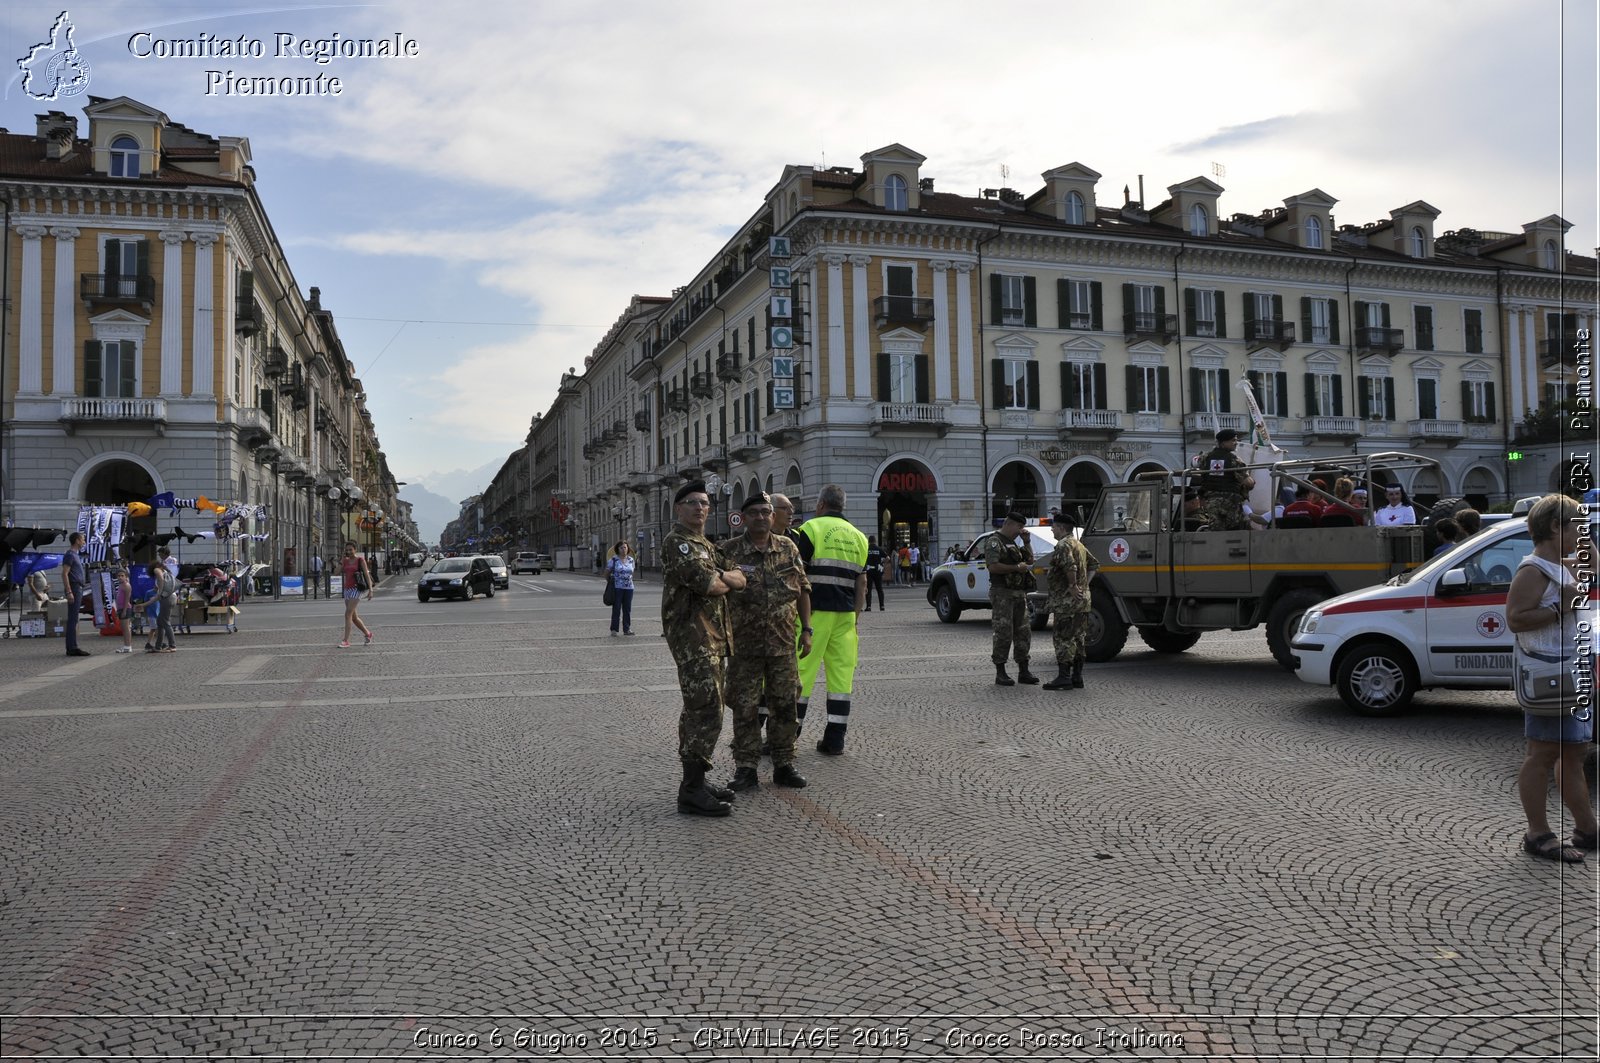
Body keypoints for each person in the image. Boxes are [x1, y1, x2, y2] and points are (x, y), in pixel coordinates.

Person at [1506, 493, 1596, 863]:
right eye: (1576, 525)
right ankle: (1537, 833)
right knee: (1542, 753)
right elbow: (1515, 618)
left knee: (1574, 754)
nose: (1583, 533)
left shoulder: (1562, 565)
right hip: (1549, 675)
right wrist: (1560, 607)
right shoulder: (1533, 571)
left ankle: (1587, 828)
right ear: (1556, 527)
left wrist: (1583, 529)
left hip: (1570, 671)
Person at [662, 480, 747, 816]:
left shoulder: (707, 545)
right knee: (707, 708)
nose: (700, 508)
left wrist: (727, 577)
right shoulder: (677, 543)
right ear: (679, 508)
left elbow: (742, 577)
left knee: (700, 707)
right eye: (693, 503)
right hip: (692, 637)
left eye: (705, 503)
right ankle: (692, 790)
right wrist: (727, 578)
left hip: (713, 637)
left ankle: (695, 781)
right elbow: (711, 584)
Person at [720, 492, 812, 791]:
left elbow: (803, 589)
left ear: (773, 516)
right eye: (755, 512)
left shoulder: (788, 547)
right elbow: (717, 595)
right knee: (744, 707)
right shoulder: (729, 551)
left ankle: (784, 764)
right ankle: (745, 768)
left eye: (766, 512)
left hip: (783, 643)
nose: (761, 517)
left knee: (785, 705)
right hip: (744, 647)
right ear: (744, 517)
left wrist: (807, 630)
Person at [794, 484, 869, 755]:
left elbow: (797, 576)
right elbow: (862, 584)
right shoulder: (859, 537)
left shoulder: (810, 529)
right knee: (841, 681)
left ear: (820, 504)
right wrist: (855, 618)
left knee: (801, 674)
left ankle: (790, 735)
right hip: (846, 616)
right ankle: (835, 739)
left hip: (812, 615)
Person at [1043, 510, 1098, 690]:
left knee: (1063, 638)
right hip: (1082, 602)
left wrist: (1074, 586)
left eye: (1053, 526)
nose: (1052, 530)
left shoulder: (1064, 545)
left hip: (1067, 602)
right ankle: (1077, 677)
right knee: (1079, 638)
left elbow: (1070, 566)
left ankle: (1063, 677)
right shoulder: (1079, 545)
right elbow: (1094, 564)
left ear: (1060, 527)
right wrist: (1084, 585)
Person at [985, 511, 1039, 686]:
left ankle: (1024, 671)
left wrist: (1027, 542)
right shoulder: (995, 541)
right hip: (1002, 593)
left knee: (1023, 632)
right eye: (1018, 527)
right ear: (1008, 524)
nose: (1020, 530)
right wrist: (1016, 568)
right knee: (1003, 632)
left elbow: (1030, 560)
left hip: (1018, 593)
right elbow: (993, 567)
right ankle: (1000, 672)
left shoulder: (1014, 543)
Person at [1196, 428, 1254, 531]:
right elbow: (1248, 483)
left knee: (1216, 532)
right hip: (1230, 503)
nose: (1236, 443)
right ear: (1223, 443)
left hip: (1211, 503)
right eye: (1233, 440)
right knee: (1235, 532)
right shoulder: (1234, 460)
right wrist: (1252, 481)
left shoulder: (1205, 458)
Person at [61, 531, 91, 657]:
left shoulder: (75, 555)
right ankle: (72, 648)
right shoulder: (70, 555)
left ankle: (73, 646)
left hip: (77, 587)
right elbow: (64, 574)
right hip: (74, 587)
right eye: (82, 539)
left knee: (74, 618)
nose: (84, 541)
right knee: (73, 619)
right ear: (77, 540)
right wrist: (69, 591)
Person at [339, 542, 374, 648]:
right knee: (354, 617)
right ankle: (368, 634)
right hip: (347, 589)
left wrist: (371, 590)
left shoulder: (360, 560)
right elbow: (336, 572)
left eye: (350, 549)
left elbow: (367, 575)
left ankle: (346, 641)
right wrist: (341, 560)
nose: (348, 551)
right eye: (347, 550)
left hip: (357, 589)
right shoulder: (345, 561)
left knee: (347, 614)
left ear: (355, 549)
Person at [606, 540, 636, 635]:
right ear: (617, 549)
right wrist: (610, 582)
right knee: (617, 608)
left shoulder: (631, 560)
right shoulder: (614, 560)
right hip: (617, 587)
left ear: (628, 549)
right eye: (621, 548)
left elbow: (632, 572)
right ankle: (614, 629)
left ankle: (627, 629)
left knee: (627, 609)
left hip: (629, 588)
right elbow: (607, 572)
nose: (624, 550)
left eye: (625, 547)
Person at [151, 559, 179, 653]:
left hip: (166, 598)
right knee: (160, 621)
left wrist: (160, 592)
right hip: (172, 597)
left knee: (165, 622)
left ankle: (172, 645)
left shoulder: (157, 570)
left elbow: (160, 579)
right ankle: (158, 646)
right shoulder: (167, 572)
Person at [114, 568, 134, 653]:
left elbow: (127, 599)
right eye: (118, 576)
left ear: (126, 577)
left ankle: (128, 646)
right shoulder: (120, 585)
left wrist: (124, 610)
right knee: (123, 628)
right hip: (120, 608)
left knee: (126, 628)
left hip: (125, 608)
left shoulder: (126, 585)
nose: (120, 577)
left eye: (122, 575)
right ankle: (126, 645)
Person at [863, 535, 886, 611]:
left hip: (869, 571)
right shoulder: (879, 549)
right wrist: (881, 563)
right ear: (875, 541)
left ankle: (868, 606)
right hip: (877, 571)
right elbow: (888, 557)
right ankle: (882, 606)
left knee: (868, 589)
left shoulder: (866, 549)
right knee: (879, 589)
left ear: (869, 541)